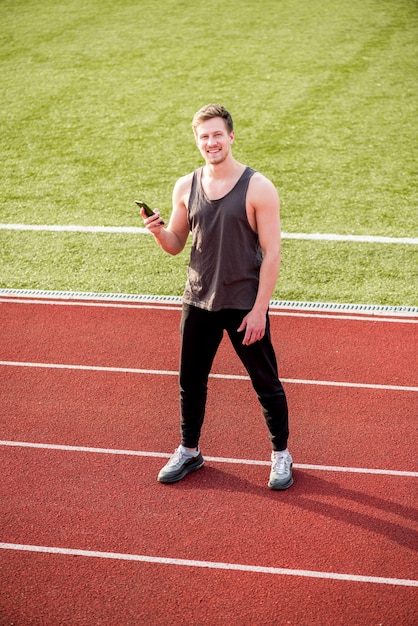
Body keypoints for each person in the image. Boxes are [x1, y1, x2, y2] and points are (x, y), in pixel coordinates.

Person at [140, 103, 292, 490]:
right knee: (190, 381)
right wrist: (158, 231)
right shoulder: (185, 186)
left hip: (243, 304)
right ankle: (189, 451)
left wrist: (260, 310)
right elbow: (176, 244)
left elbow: (272, 252)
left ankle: (280, 455)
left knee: (265, 382)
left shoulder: (258, 187)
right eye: (204, 136)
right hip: (198, 300)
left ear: (231, 136)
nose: (211, 142)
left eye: (217, 135)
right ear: (197, 140)